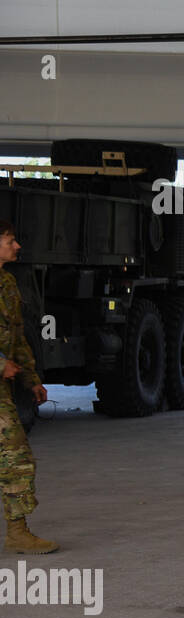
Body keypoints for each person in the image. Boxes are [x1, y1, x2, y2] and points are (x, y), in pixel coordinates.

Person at [0, 221, 57, 553]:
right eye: (10, 240)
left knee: (16, 455)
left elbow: (18, 337)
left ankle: (18, 531)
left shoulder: (8, 284)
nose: (17, 246)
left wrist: (31, 379)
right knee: (16, 455)